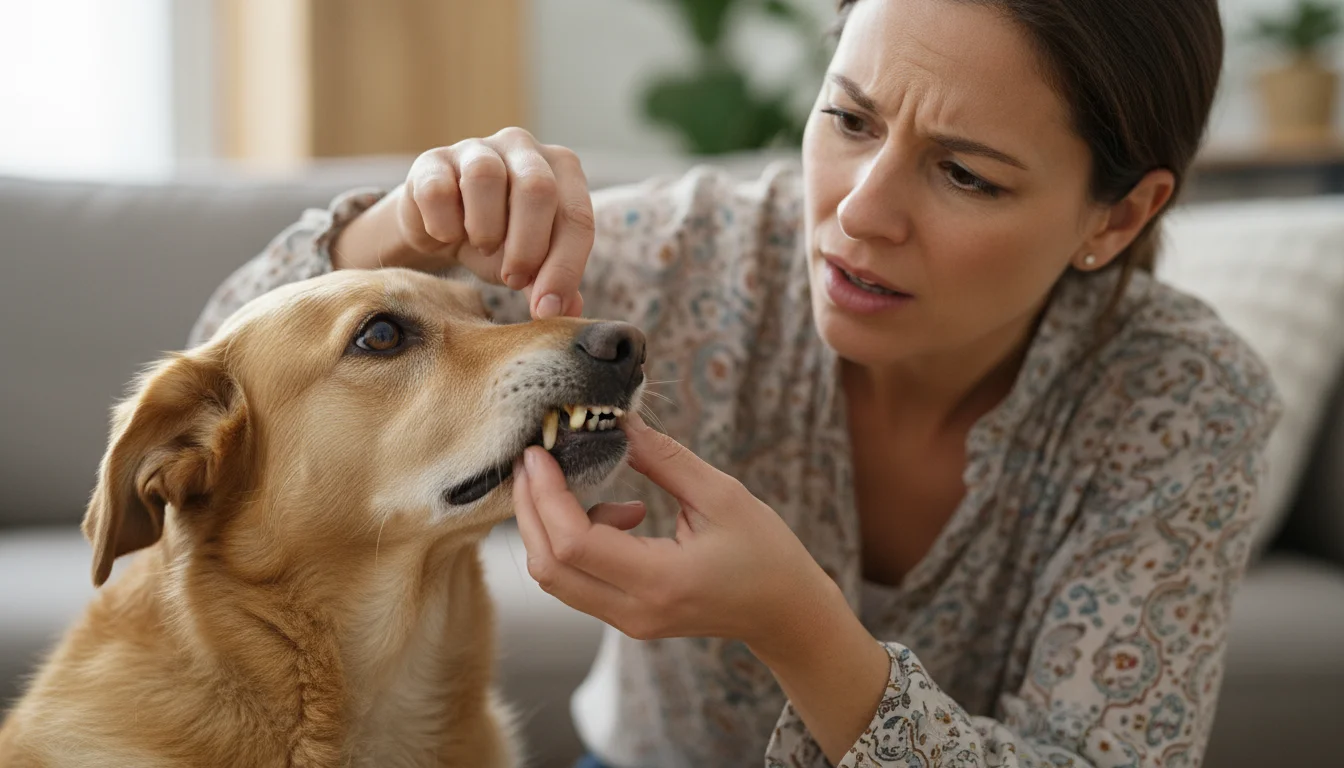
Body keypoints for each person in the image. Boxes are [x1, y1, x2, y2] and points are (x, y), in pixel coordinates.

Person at [189, 0, 1283, 765]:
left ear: (1118, 215)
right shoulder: (685, 257)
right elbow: (225, 395)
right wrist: (403, 228)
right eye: (848, 120)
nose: (859, 211)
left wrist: (798, 629)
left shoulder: (1184, 404)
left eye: (963, 173)